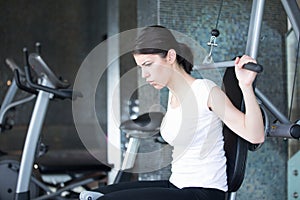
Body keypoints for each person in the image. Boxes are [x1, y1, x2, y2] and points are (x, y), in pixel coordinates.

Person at [92, 25, 265, 200]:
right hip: (177, 185)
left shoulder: (205, 91)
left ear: (171, 56)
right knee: (93, 195)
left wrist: (246, 86)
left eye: (148, 64)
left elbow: (255, 135)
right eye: (141, 67)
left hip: (203, 192)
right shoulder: (173, 95)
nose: (144, 74)